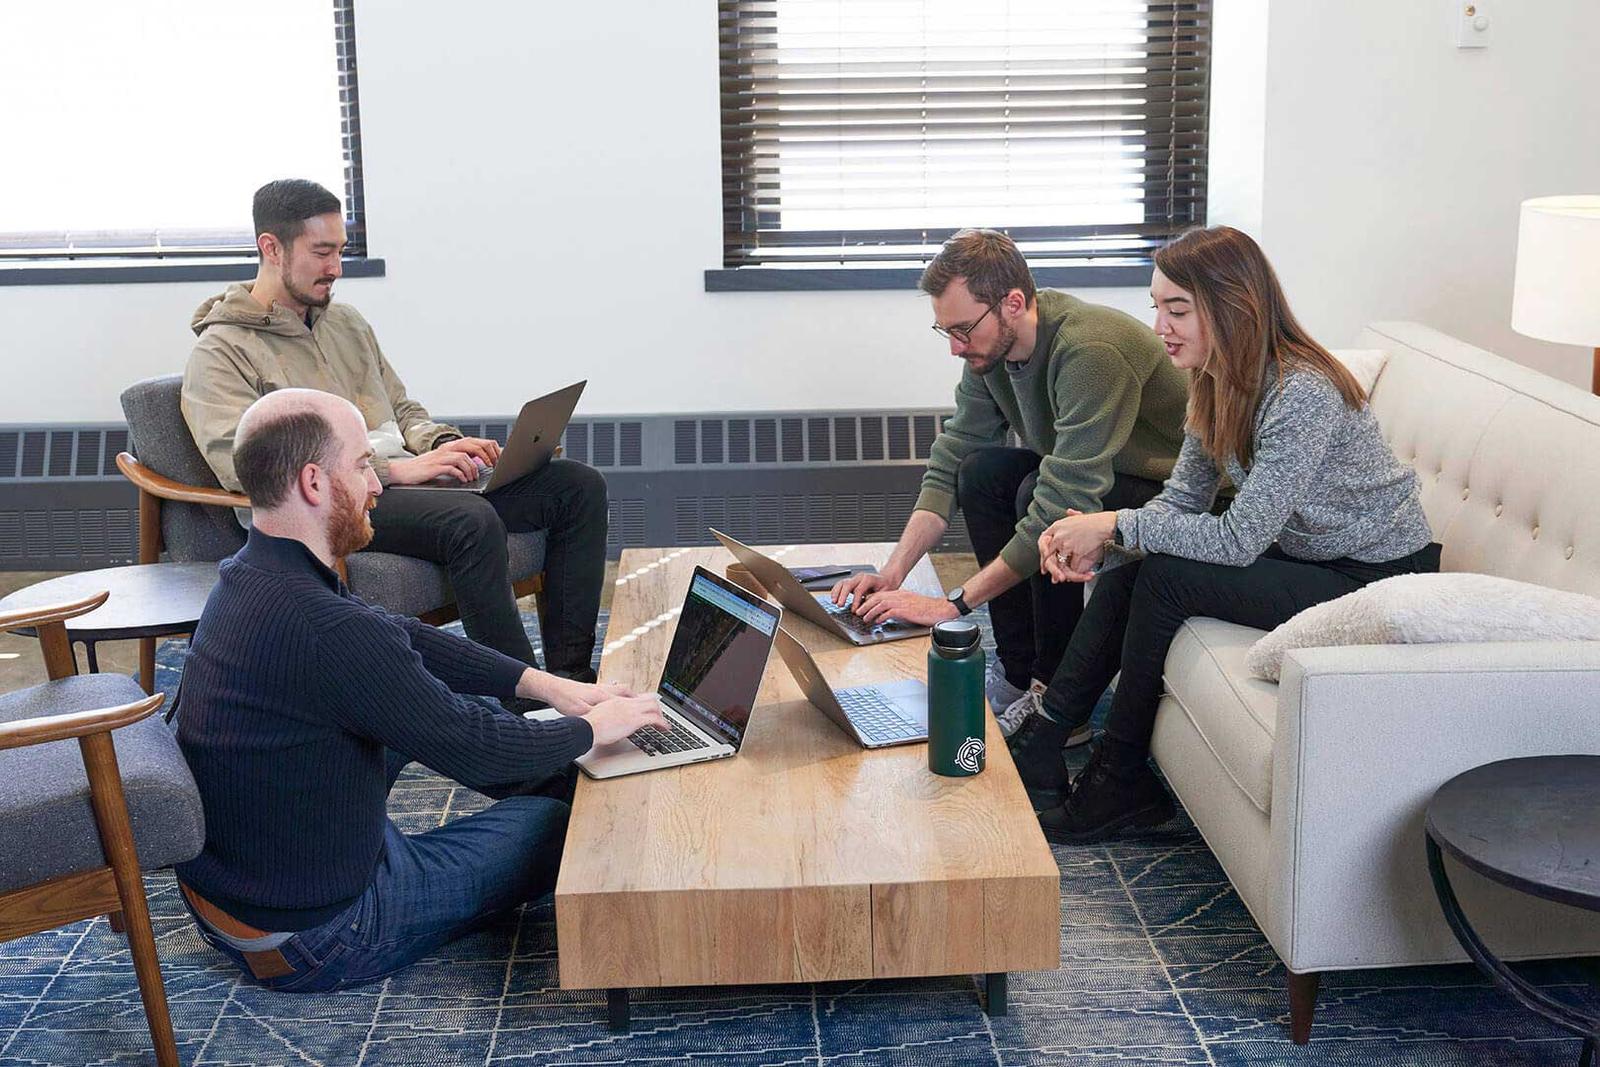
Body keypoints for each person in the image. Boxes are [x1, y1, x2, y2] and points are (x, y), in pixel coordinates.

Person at [173, 387, 665, 992]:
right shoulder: (330, 631)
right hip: (319, 933)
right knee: (566, 822)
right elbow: (478, 748)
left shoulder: (252, 574)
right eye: (362, 466)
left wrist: (545, 686)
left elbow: (399, 636)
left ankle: (578, 764)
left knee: (468, 712)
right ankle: (602, 788)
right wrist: (594, 729)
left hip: (241, 882)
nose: (379, 485)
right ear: (313, 482)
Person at [1022, 225, 1439, 843]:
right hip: (1310, 553)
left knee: (1163, 574)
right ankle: (1048, 734)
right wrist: (1108, 541)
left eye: (1178, 309)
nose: (1160, 325)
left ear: (1232, 305)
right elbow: (1186, 499)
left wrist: (1111, 523)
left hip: (1374, 577)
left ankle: (1118, 775)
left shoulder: (1302, 391)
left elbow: (1239, 539)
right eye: (1156, 307)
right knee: (1144, 562)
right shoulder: (1214, 378)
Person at [182, 178, 609, 689]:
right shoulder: (221, 351)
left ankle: (573, 677)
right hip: (337, 507)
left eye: (340, 250)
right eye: (321, 252)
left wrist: (443, 445)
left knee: (576, 486)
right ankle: (526, 703)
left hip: (410, 486)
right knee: (470, 519)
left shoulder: (346, 323)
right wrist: (393, 470)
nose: (336, 268)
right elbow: (247, 465)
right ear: (270, 248)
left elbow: (403, 409)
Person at [831, 228, 1188, 737]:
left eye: (963, 329)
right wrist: (894, 574)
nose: (955, 348)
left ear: (1013, 303)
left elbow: (1063, 497)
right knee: (982, 473)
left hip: (1175, 493)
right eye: (945, 332)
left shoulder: (1091, 350)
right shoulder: (989, 352)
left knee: (1036, 497)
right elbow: (952, 458)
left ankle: (1056, 690)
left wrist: (951, 606)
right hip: (1101, 476)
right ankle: (1018, 673)